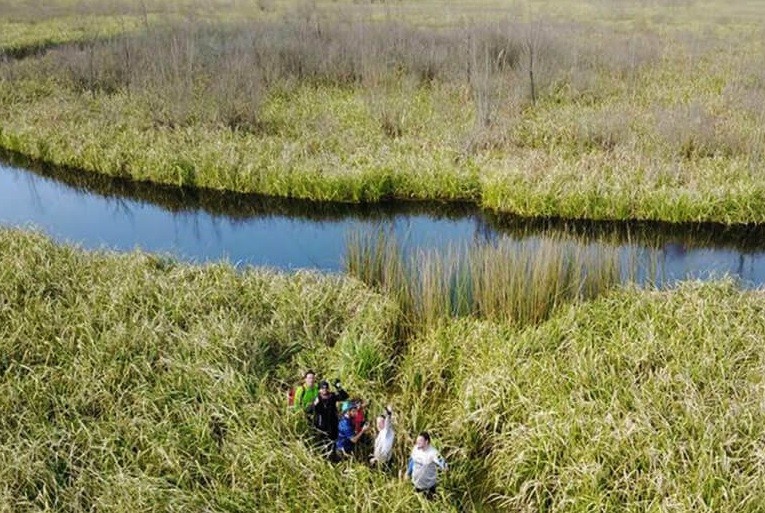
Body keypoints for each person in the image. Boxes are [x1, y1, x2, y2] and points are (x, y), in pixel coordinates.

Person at [405, 431, 447, 499]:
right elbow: (412, 460)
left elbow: (442, 463)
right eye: (417, 440)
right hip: (416, 484)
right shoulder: (416, 448)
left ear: (426, 441)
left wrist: (445, 469)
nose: (418, 442)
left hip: (428, 487)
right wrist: (408, 473)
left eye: (420, 441)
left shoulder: (433, 453)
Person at [307, 379, 348, 449]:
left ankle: (334, 456)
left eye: (326, 388)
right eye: (322, 388)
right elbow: (308, 410)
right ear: (319, 390)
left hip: (333, 424)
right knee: (322, 444)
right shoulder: (317, 398)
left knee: (333, 442)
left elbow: (345, 396)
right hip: (321, 426)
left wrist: (338, 387)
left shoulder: (332, 396)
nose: (324, 390)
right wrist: (314, 404)